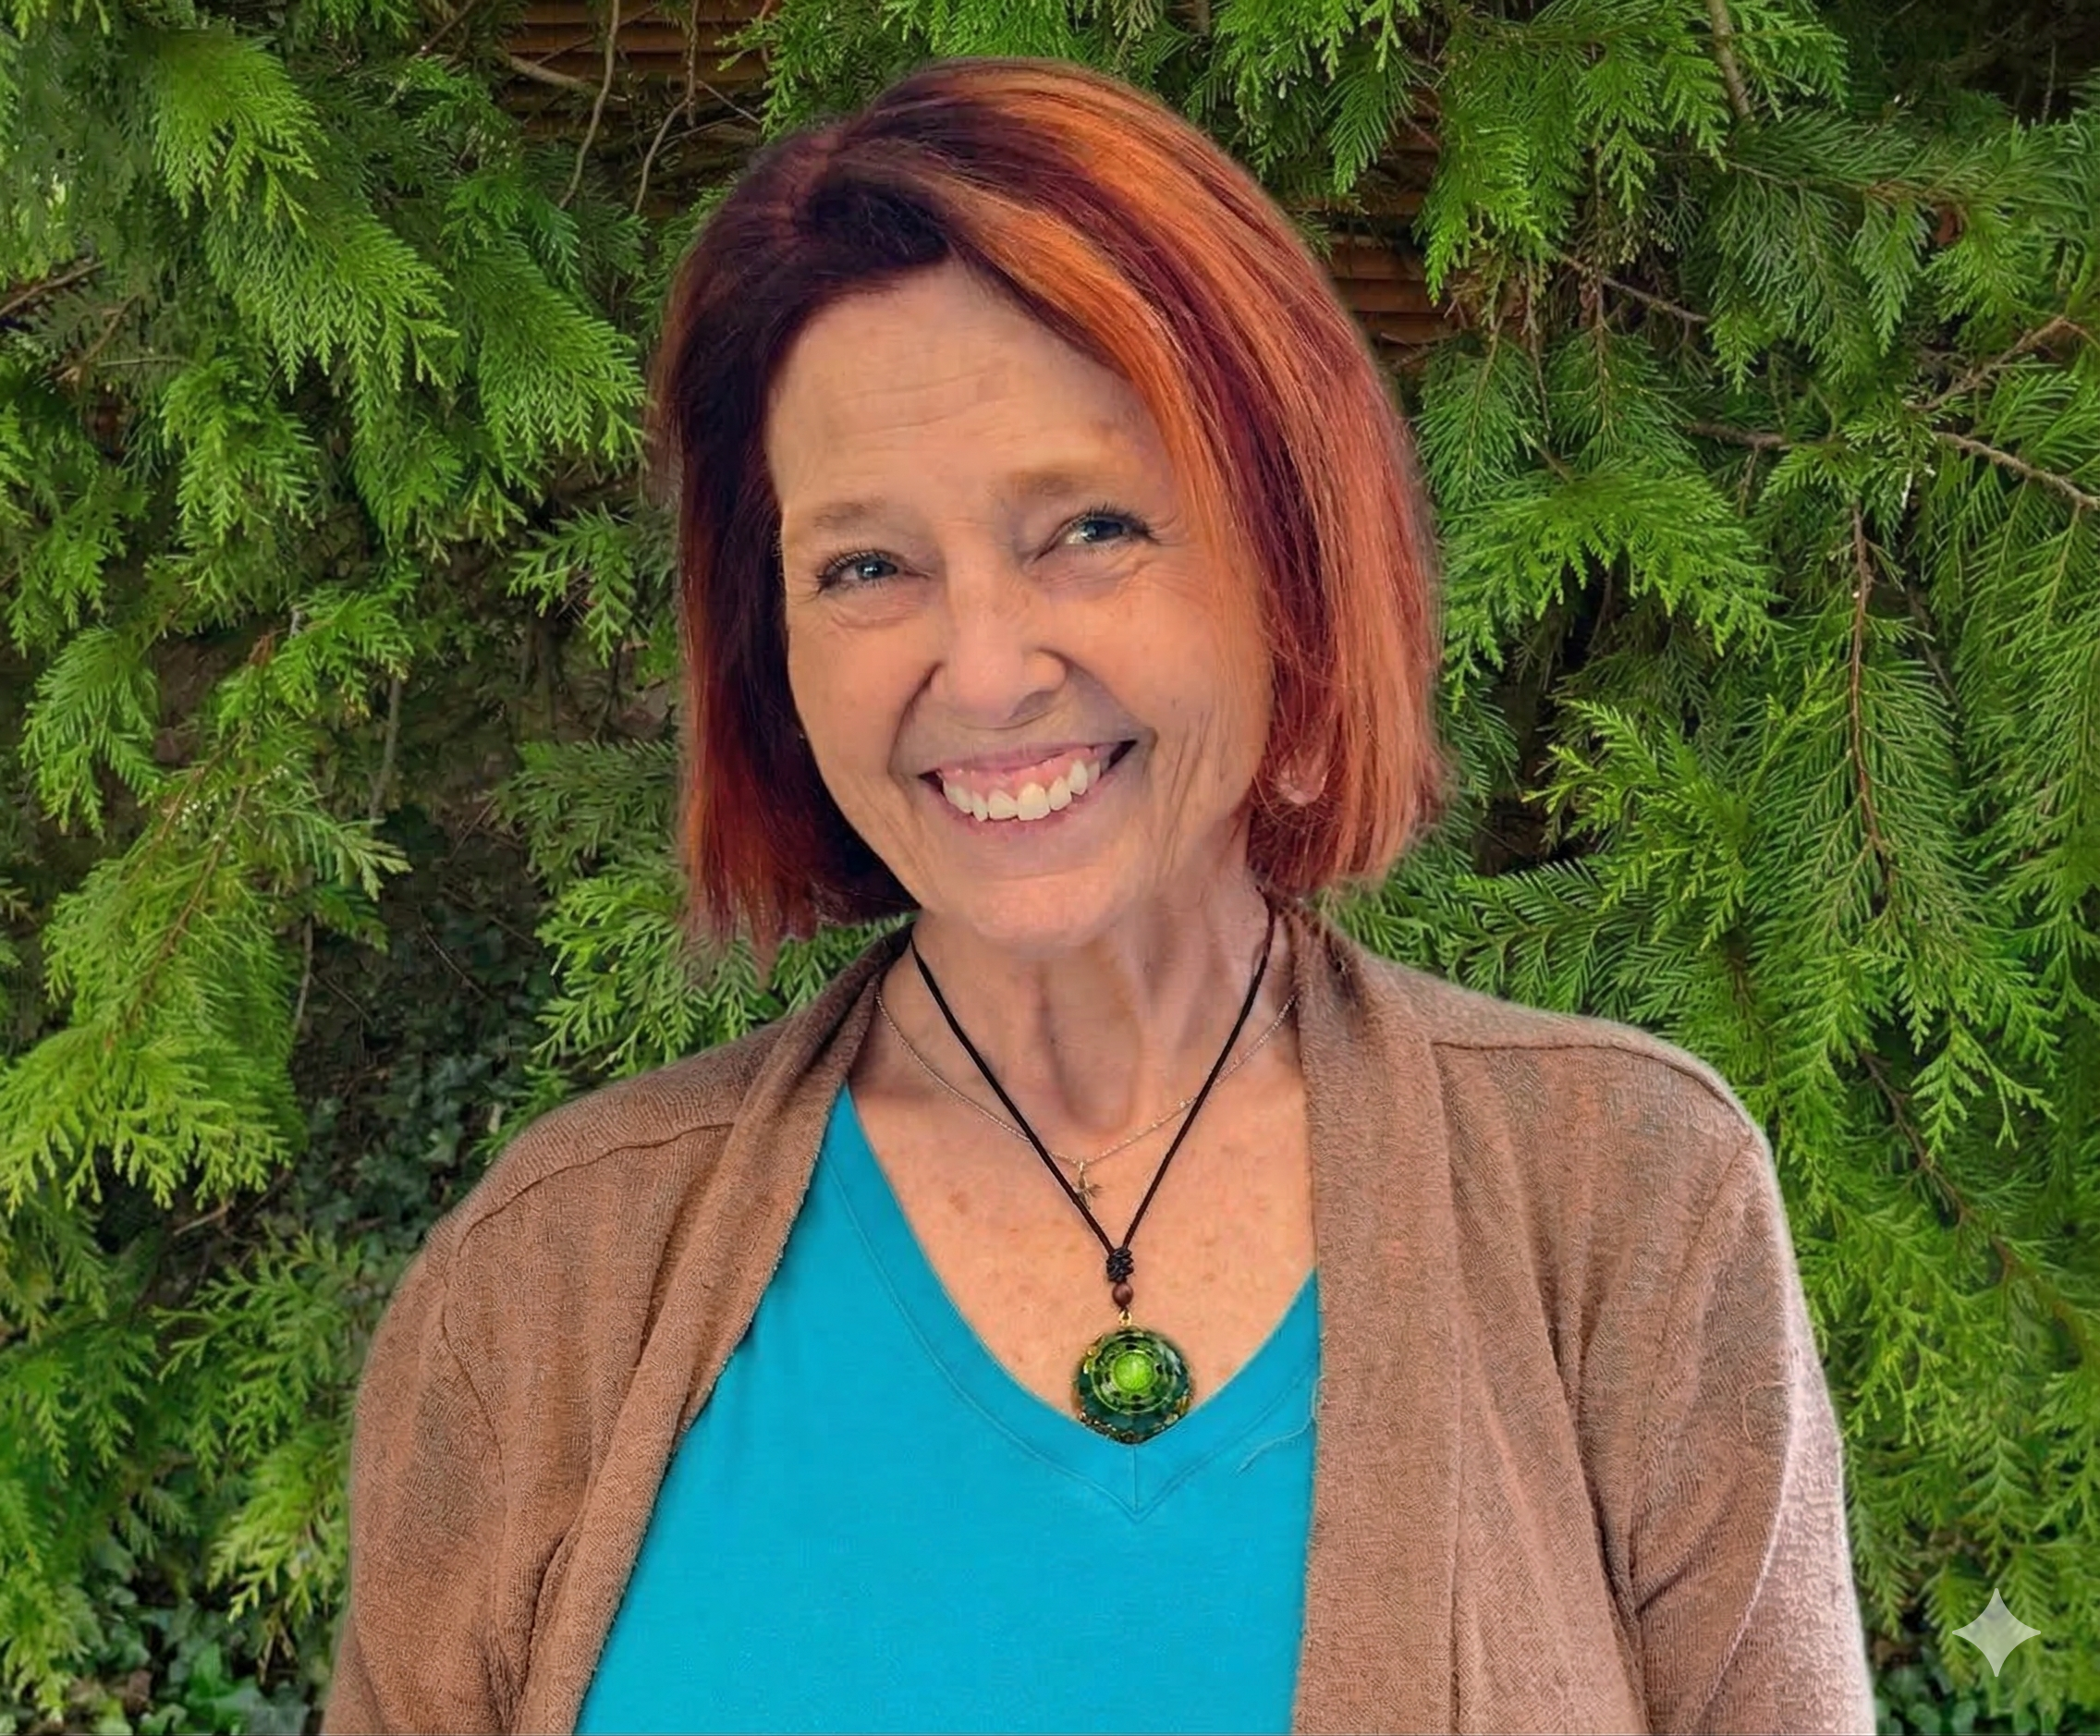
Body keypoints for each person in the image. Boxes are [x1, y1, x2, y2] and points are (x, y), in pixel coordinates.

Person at [323, 54, 1876, 1736]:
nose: (985, 669)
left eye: (1088, 528)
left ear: (1284, 559)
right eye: (867, 565)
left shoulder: (1628, 1204)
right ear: (773, 648)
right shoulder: (547, 1283)